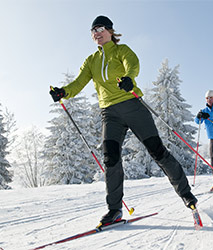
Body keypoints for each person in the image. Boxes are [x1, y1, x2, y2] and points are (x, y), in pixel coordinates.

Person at [50, 15, 197, 226]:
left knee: (157, 152)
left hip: (132, 105)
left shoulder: (121, 51)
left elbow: (132, 65)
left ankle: (186, 195)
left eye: (100, 28)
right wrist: (63, 92)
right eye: (93, 31)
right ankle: (114, 210)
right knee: (110, 158)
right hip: (109, 113)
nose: (96, 33)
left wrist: (129, 78)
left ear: (110, 30)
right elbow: (79, 82)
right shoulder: (91, 61)